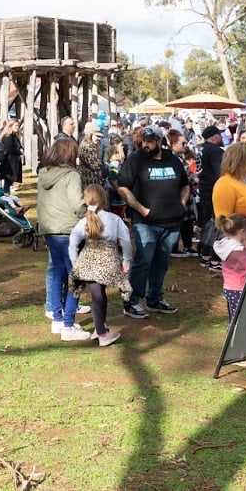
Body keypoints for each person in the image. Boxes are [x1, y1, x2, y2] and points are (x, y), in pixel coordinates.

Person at [117, 125, 189, 319]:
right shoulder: (136, 160)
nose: (145, 144)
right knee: (143, 260)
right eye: (143, 141)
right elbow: (123, 187)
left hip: (172, 221)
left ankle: (155, 298)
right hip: (145, 222)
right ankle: (132, 301)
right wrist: (141, 210)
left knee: (162, 262)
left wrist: (181, 205)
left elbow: (185, 185)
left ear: (159, 141)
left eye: (150, 141)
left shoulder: (172, 159)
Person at [38, 138, 89, 340]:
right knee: (75, 278)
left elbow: (41, 204)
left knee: (58, 274)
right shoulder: (72, 175)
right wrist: (90, 212)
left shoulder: (44, 174)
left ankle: (58, 321)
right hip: (69, 231)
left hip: (50, 231)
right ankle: (68, 324)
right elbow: (78, 205)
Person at [68, 185, 132, 346]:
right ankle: (102, 333)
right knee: (100, 296)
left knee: (97, 296)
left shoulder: (84, 221)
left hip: (88, 261)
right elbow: (126, 241)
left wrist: (75, 263)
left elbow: (73, 243)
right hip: (108, 261)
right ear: (105, 199)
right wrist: (126, 261)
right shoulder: (114, 219)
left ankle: (100, 328)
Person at [213, 213, 246, 323]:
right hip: (240, 288)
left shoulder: (227, 245)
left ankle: (234, 334)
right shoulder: (237, 251)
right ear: (242, 231)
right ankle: (236, 337)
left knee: (234, 315)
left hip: (230, 287)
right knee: (242, 318)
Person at [196, 125, 224, 266]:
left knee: (207, 221)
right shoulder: (215, 150)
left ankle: (204, 253)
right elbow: (220, 173)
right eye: (219, 135)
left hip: (204, 187)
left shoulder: (202, 148)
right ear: (214, 136)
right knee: (215, 223)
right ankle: (213, 257)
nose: (221, 137)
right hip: (214, 189)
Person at [0, 119, 23, 195]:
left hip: (13, 161)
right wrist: (19, 151)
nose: (17, 127)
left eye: (18, 125)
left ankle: (8, 198)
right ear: (10, 126)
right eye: (16, 125)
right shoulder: (8, 137)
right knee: (8, 182)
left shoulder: (14, 136)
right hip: (9, 163)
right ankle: (6, 199)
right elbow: (9, 148)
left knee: (9, 182)